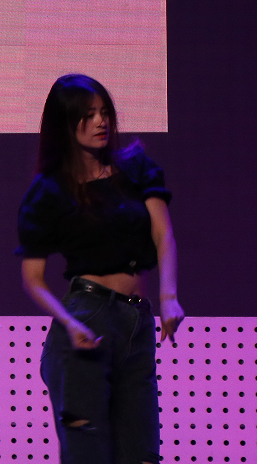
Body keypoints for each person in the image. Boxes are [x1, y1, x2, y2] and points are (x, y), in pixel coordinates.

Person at [16, 75, 184, 464]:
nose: (100, 121)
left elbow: (163, 234)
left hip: (137, 322)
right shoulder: (49, 190)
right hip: (88, 318)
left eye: (104, 112)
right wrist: (69, 323)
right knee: (87, 454)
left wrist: (169, 296)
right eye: (88, 114)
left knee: (143, 453)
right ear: (65, 123)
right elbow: (33, 280)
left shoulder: (136, 168)